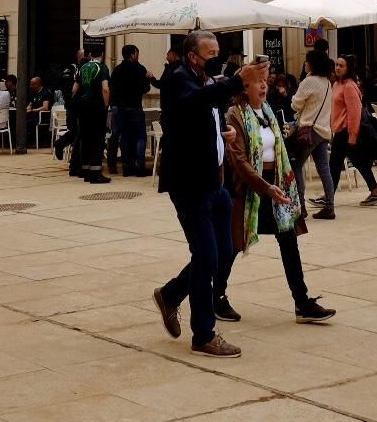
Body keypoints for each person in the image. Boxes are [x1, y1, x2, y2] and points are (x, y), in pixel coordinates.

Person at [150, 30, 266, 358]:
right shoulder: (177, 78)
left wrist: (221, 133)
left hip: (215, 183)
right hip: (190, 185)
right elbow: (190, 105)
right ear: (192, 55)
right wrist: (236, 81)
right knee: (207, 257)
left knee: (224, 250)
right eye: (210, 52)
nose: (217, 56)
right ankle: (203, 335)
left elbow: (202, 115)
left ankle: (171, 295)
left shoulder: (204, 80)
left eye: (218, 51)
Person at [217, 61, 335, 323]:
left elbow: (279, 148)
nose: (263, 85)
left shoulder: (269, 111)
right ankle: (217, 296)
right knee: (233, 245)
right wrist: (264, 186)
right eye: (257, 80)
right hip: (247, 188)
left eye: (265, 79)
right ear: (243, 85)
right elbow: (239, 160)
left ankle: (301, 302)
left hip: (277, 183)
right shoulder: (235, 114)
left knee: (288, 240)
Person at [328, 55, 377, 205]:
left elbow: (354, 113)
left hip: (347, 131)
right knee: (360, 162)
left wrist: (352, 136)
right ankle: (375, 192)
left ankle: (328, 197)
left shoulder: (350, 86)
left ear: (348, 68)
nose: (337, 68)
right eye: (337, 65)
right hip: (339, 130)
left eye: (341, 65)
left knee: (334, 164)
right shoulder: (336, 84)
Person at [290, 49, 336, 220]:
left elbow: (295, 105)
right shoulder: (327, 82)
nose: (304, 63)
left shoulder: (309, 81)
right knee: (324, 168)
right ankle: (329, 207)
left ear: (312, 63)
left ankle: (301, 207)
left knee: (296, 166)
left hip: (308, 131)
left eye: (307, 60)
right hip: (323, 131)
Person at [69, 42, 112, 184]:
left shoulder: (82, 68)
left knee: (85, 138)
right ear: (102, 54)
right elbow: (105, 89)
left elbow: (75, 89)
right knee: (97, 140)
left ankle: (85, 170)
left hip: (83, 108)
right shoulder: (102, 68)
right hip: (97, 107)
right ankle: (95, 173)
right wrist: (106, 105)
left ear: (90, 54)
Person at [110, 44, 150, 177]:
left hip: (121, 108)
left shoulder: (117, 70)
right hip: (135, 107)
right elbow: (145, 89)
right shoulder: (140, 69)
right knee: (140, 137)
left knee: (125, 137)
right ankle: (140, 166)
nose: (138, 55)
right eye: (137, 53)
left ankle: (127, 167)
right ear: (133, 54)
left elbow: (112, 88)